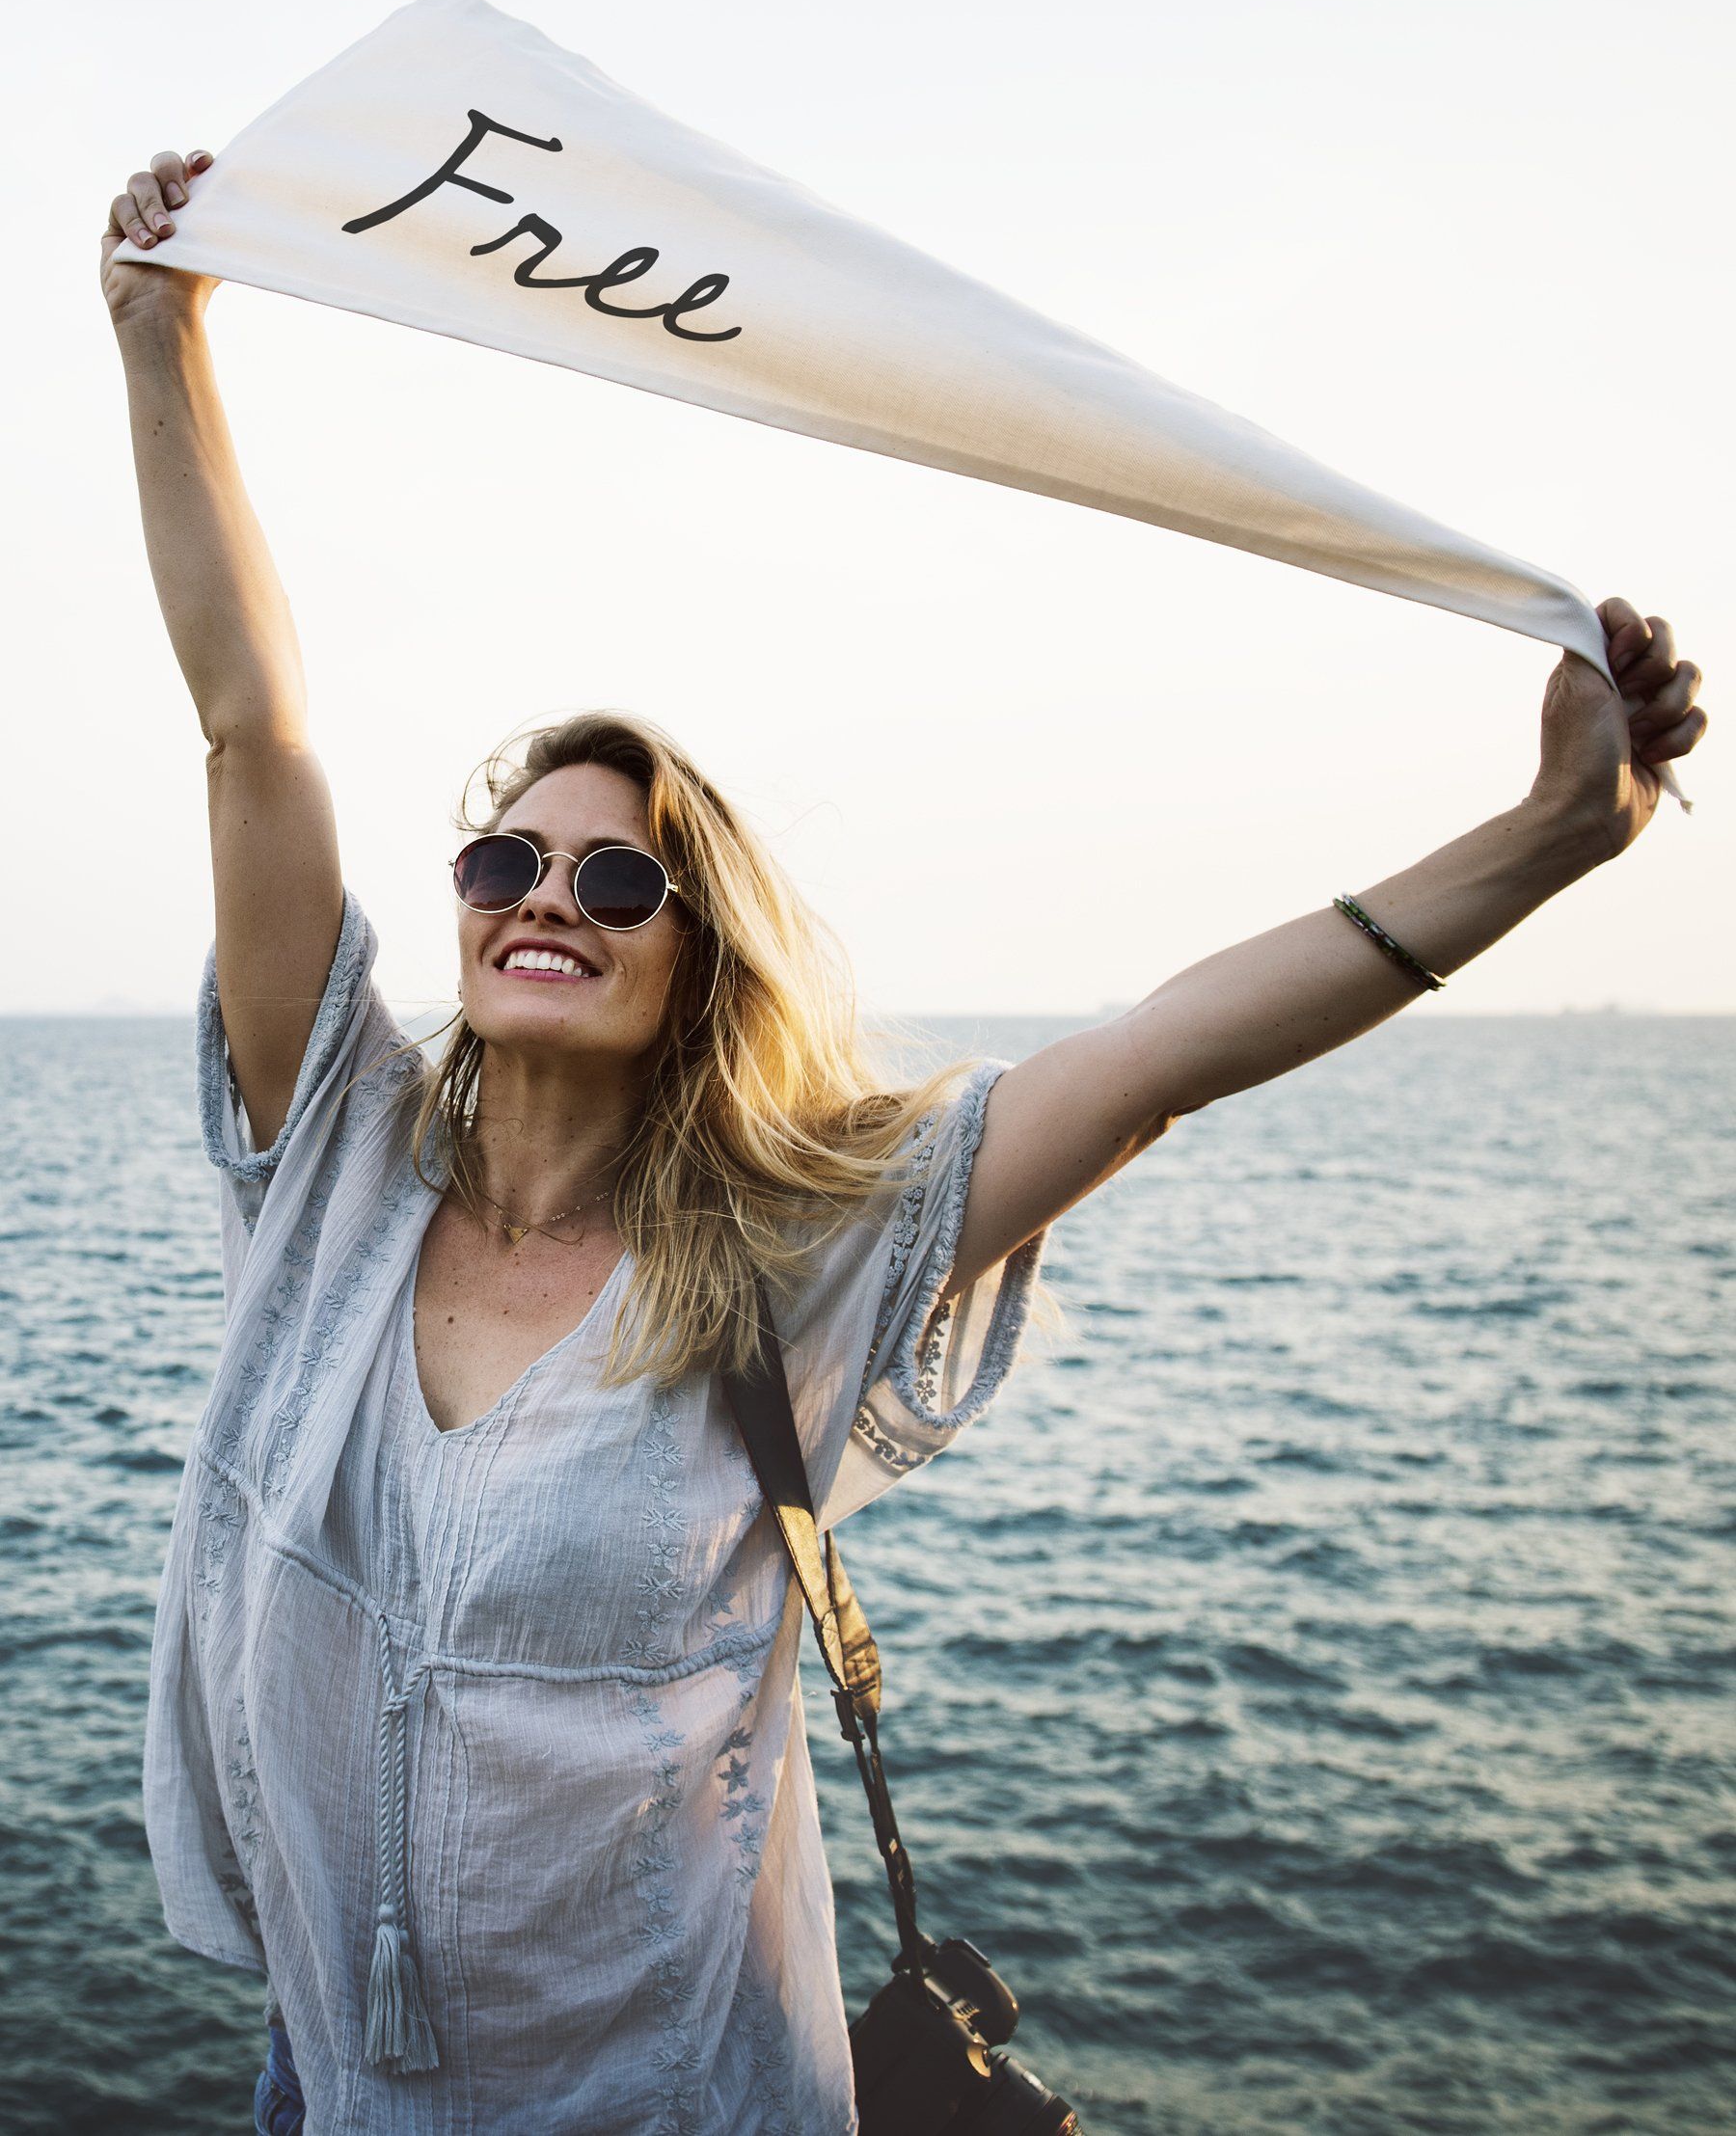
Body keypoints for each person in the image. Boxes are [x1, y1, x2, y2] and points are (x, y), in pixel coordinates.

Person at [103, 146, 1707, 2136]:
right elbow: (253, 723)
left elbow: (1155, 1058)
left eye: (623, 878)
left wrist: (1554, 836)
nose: (553, 894)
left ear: (693, 961)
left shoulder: (798, 1255)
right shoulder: (324, 1159)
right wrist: (161, 329)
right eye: (512, 853)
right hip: (333, 2089)